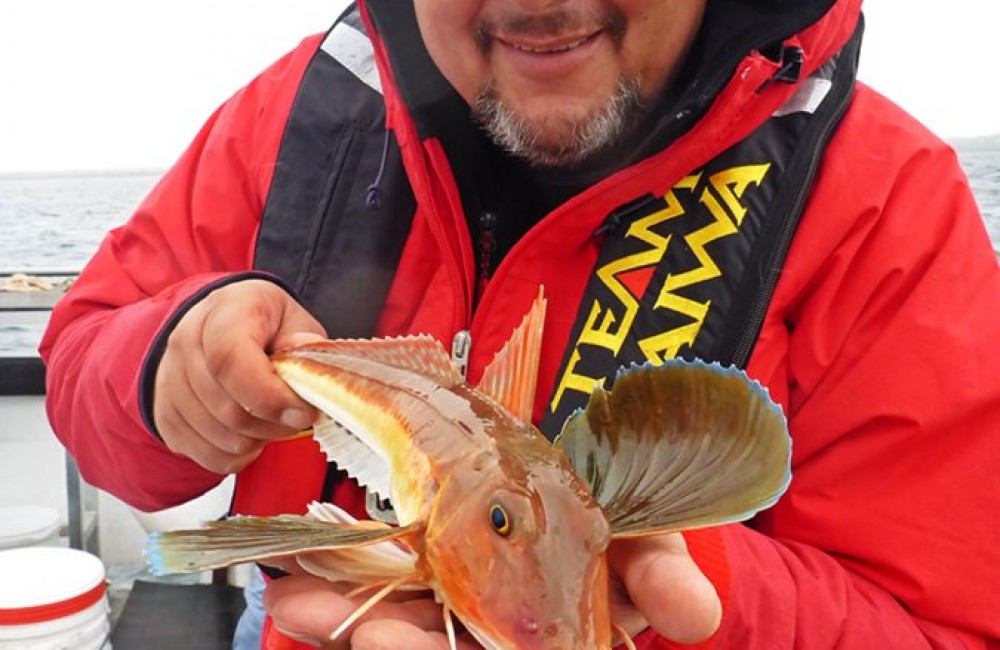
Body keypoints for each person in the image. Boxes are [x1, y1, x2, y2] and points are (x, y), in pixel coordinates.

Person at [40, 0, 1000, 648]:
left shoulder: (885, 206)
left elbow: (945, 626)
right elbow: (85, 370)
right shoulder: (298, 115)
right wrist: (168, 367)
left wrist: (683, 573)